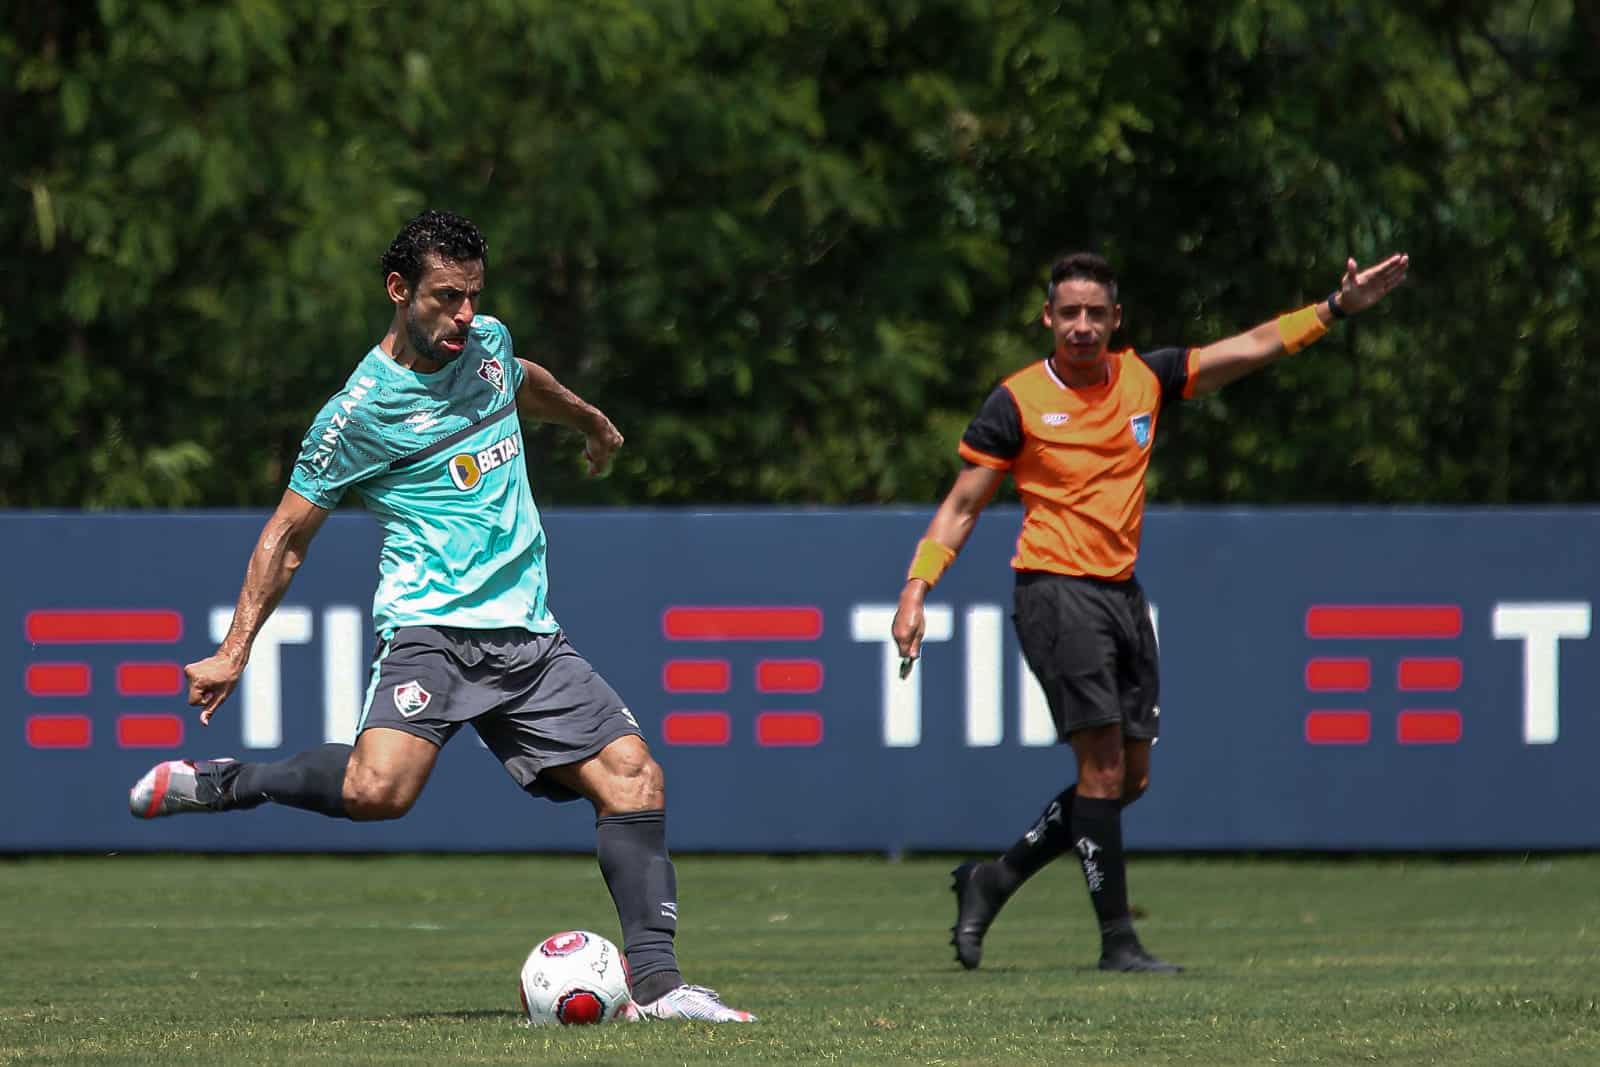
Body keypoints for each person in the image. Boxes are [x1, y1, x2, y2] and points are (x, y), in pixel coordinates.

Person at [128, 209, 755, 1023]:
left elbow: (523, 378)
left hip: (529, 636)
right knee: (378, 791)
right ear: (399, 290)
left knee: (635, 776)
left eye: (473, 296)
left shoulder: (485, 344)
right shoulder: (357, 415)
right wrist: (232, 649)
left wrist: (589, 420)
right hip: (433, 635)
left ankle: (663, 986)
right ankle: (230, 782)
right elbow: (285, 537)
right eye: (446, 297)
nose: (465, 315)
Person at [891, 250, 1409, 973]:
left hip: (1122, 595)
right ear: (1047, 318)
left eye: (1094, 314)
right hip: (1053, 589)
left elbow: (1249, 348)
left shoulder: (1146, 377)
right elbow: (963, 503)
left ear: (1115, 320)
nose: (1080, 326)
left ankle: (994, 876)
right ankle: (1118, 944)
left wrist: (1335, 308)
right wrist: (918, 586)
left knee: (1129, 779)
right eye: (1067, 313)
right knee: (1100, 766)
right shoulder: (1015, 401)